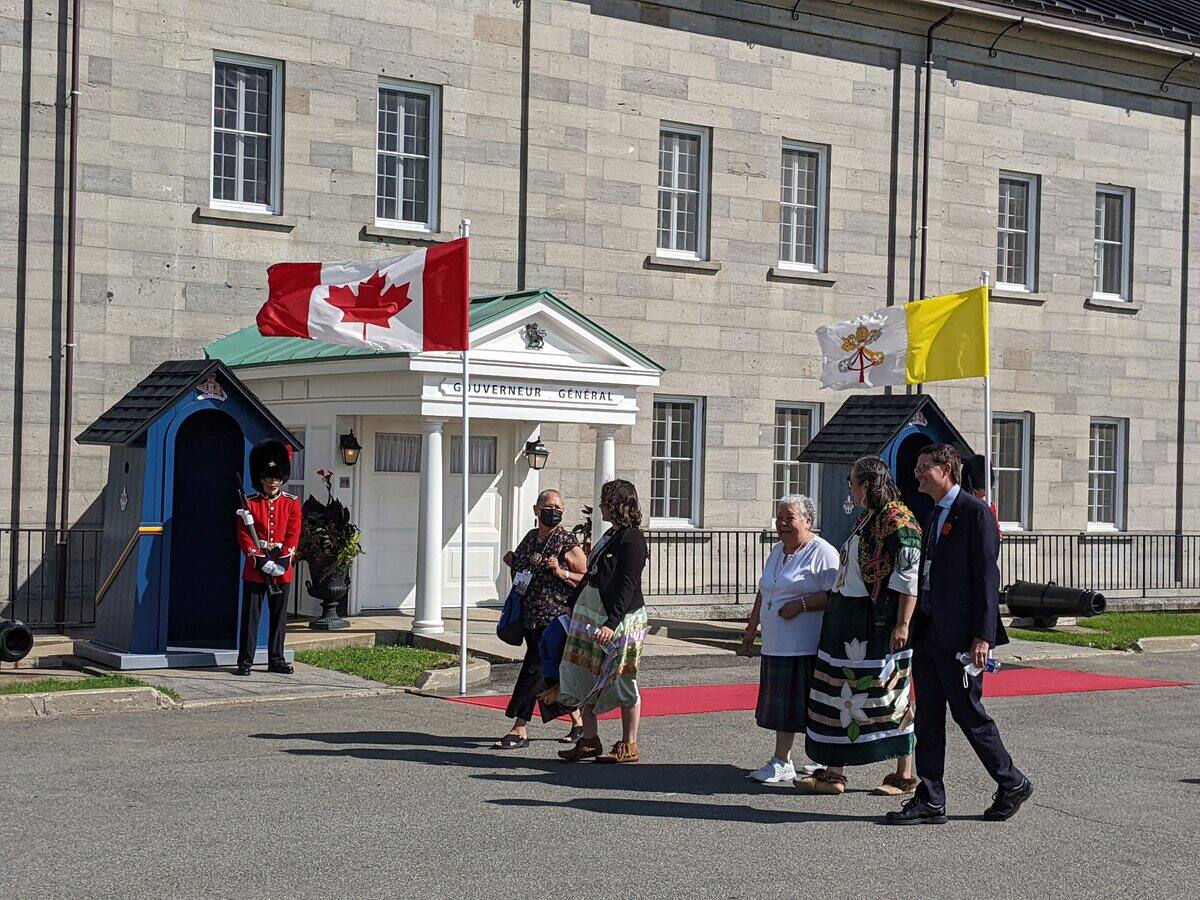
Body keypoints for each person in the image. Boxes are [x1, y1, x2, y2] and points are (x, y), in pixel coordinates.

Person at [886, 444, 1033, 825]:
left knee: (969, 714)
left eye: (924, 467)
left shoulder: (974, 513)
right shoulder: (933, 512)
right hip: (931, 631)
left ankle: (1011, 781)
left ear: (947, 470)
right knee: (930, 716)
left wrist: (982, 637)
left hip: (961, 639)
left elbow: (986, 579)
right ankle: (930, 798)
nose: (917, 473)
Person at [799, 456, 920, 797]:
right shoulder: (869, 518)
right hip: (847, 618)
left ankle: (904, 774)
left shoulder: (899, 519)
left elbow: (907, 576)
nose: (849, 488)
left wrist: (902, 623)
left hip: (876, 619)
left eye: (851, 481)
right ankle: (834, 772)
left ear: (866, 484)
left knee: (887, 692)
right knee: (841, 693)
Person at [739, 495, 839, 784]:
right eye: (779, 518)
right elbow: (765, 590)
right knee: (782, 704)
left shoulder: (822, 552)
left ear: (808, 521)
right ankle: (790, 759)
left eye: (789, 518)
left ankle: (784, 759)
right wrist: (751, 626)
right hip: (776, 642)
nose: (782, 524)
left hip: (804, 645)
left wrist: (801, 605)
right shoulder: (778, 551)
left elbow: (835, 595)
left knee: (803, 705)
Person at [557, 479, 649, 764]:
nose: (600, 506)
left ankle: (628, 744)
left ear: (619, 504)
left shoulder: (632, 538)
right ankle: (589, 740)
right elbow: (592, 574)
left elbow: (627, 585)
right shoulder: (611, 534)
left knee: (622, 679)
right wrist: (572, 605)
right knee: (583, 674)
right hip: (591, 616)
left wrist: (611, 623)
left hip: (621, 620)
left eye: (605, 501)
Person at [492, 489, 587, 749]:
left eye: (558, 507)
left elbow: (585, 578)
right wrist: (512, 560)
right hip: (531, 617)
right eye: (548, 505)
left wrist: (560, 572)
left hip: (554, 619)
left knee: (532, 670)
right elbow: (523, 569)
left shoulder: (567, 542)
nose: (553, 510)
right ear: (537, 510)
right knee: (550, 674)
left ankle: (519, 727)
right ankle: (579, 721)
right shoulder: (531, 538)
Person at [234, 440, 302, 677]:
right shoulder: (250, 504)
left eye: (276, 476)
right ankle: (245, 661)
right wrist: (261, 561)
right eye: (268, 476)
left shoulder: (291, 503)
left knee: (279, 617)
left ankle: (276, 659)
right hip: (256, 567)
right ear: (261, 478)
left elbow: (293, 534)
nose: (272, 481)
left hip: (282, 567)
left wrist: (282, 563)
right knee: (251, 616)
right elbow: (244, 536)